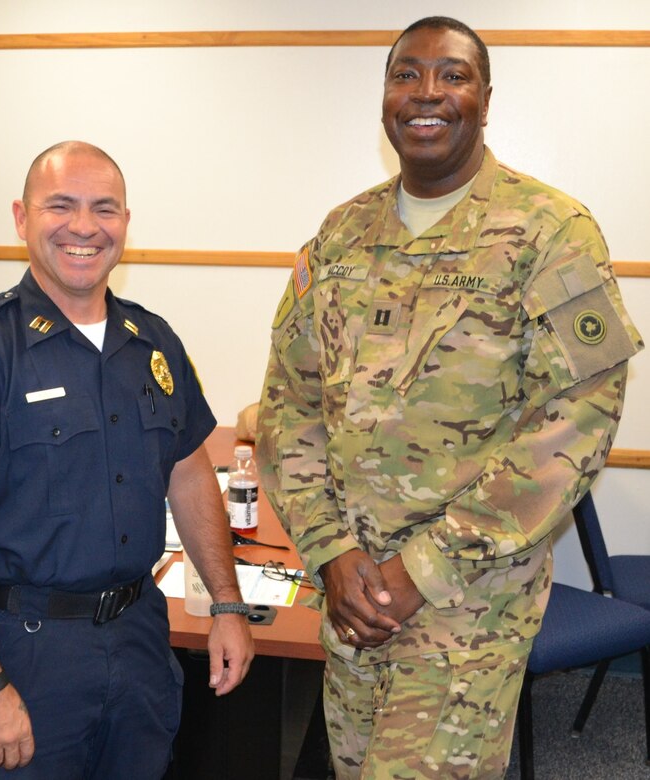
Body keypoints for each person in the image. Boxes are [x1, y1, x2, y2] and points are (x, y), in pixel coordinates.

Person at [256, 16, 643, 780]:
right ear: (385, 98)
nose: (426, 93)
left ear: (484, 99)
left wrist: (421, 570)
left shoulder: (549, 231)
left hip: (467, 603)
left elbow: (573, 426)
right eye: (406, 75)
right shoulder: (339, 235)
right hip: (351, 593)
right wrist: (332, 552)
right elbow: (288, 406)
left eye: (452, 75)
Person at [0, 140, 254, 778]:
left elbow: (190, 470)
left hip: (140, 635)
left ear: (125, 221)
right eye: (60, 205)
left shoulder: (154, 342)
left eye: (105, 208)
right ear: (21, 217)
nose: (84, 227)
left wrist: (226, 604)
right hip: (22, 653)